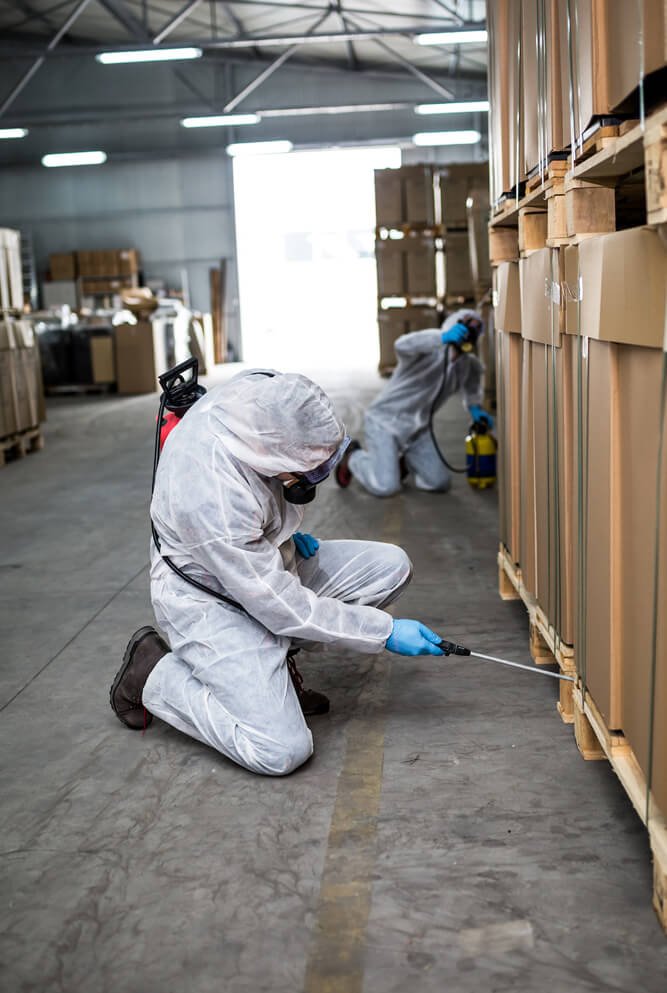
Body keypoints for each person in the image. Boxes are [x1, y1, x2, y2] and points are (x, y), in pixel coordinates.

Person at [110, 370, 446, 777]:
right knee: (280, 750)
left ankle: (271, 673)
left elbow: (263, 512)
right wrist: (383, 631)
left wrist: (281, 532)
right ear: (275, 456)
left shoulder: (264, 396)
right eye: (310, 473)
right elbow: (282, 607)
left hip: (258, 565)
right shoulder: (211, 492)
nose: (314, 481)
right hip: (208, 598)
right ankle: (153, 674)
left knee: (390, 567)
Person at [335, 309, 494, 497]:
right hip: (384, 422)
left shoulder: (468, 365)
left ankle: (400, 462)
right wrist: (442, 337)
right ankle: (352, 456)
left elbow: (472, 389)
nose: (471, 331)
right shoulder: (426, 350)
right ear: (453, 325)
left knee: (439, 482)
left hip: (417, 429)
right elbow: (402, 344)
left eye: (476, 328)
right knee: (386, 487)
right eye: (467, 324)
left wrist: (475, 409)